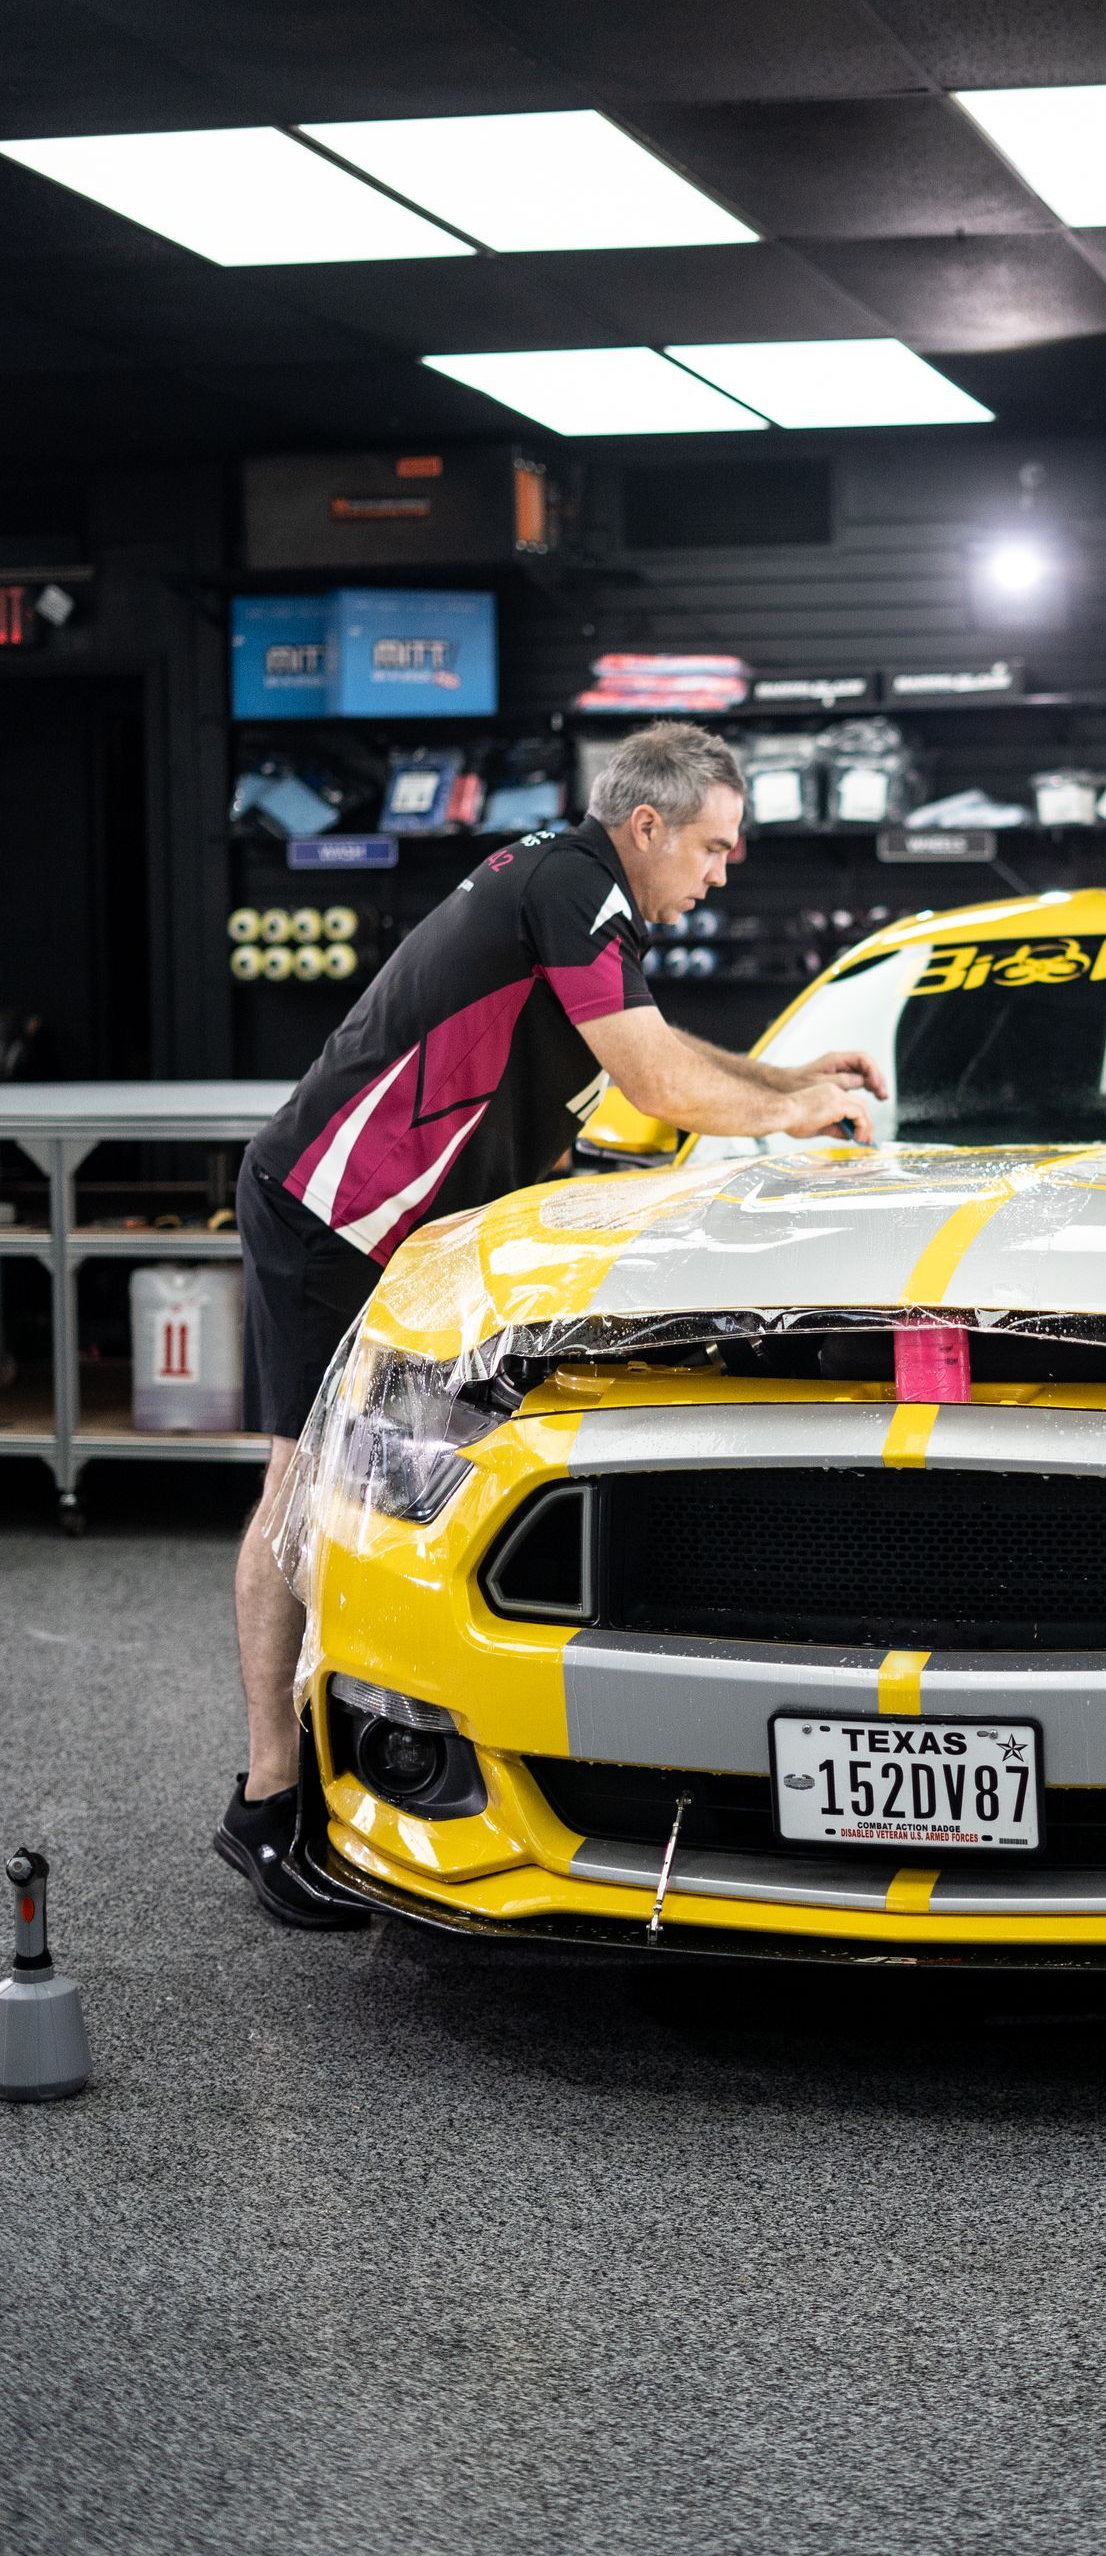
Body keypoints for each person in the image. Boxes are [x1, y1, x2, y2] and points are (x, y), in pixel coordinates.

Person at [215, 721, 882, 1925]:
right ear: (646, 828)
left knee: (389, 1494)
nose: (724, 872)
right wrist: (787, 1121)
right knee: (302, 1498)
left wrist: (788, 1081)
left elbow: (655, 1047)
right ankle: (267, 1805)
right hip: (330, 1212)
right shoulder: (573, 884)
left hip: (406, 1232)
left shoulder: (578, 892)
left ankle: (369, 1756)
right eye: (716, 848)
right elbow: (662, 1089)